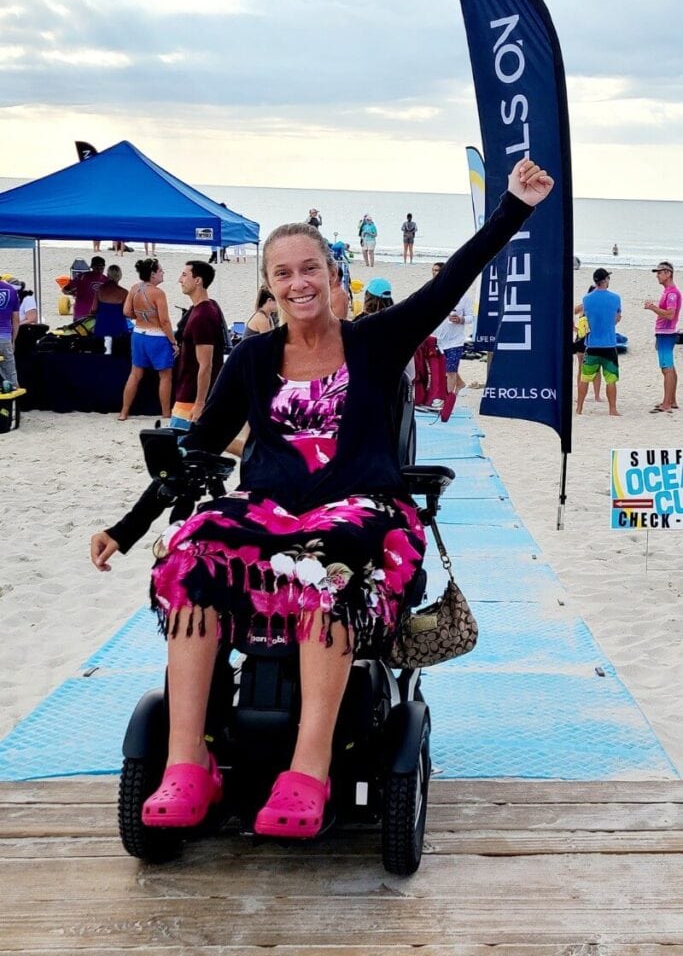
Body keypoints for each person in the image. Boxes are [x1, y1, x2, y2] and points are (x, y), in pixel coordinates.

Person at [90, 158, 553, 840]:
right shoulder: (252, 358)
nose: (298, 282)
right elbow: (199, 449)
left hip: (359, 510)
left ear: (333, 276)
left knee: (326, 563)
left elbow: (452, 278)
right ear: (270, 285)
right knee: (189, 551)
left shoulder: (375, 341)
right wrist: (129, 527)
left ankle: (308, 770)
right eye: (283, 273)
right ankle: (189, 764)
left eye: (310, 269)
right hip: (271, 510)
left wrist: (513, 206)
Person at [118, 258, 178, 421]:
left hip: (138, 334)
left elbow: (126, 312)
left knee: (135, 374)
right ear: (153, 274)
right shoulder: (158, 293)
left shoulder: (134, 288)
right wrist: (173, 342)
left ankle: (124, 412)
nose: (163, 273)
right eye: (160, 270)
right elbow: (164, 321)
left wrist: (140, 316)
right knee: (165, 376)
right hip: (156, 336)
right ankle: (166, 412)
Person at [170, 261, 226, 430]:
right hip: (188, 390)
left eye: (184, 275)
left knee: (179, 440)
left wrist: (200, 402)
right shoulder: (201, 309)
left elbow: (206, 364)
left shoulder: (203, 315)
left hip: (191, 396)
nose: (180, 280)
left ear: (198, 280)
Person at [576, 269, 622, 417]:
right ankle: (612, 409)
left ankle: (579, 408)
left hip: (592, 345)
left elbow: (584, 317)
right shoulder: (615, 298)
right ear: (605, 280)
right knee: (611, 379)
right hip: (609, 344)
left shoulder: (587, 299)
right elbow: (616, 319)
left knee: (585, 378)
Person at [644, 261, 681, 413]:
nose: (657, 276)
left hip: (666, 333)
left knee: (667, 368)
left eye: (659, 272)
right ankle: (672, 400)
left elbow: (670, 314)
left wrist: (653, 308)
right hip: (664, 333)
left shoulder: (672, 293)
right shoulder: (668, 291)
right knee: (669, 367)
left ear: (668, 273)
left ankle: (667, 403)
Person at [432, 262, 473, 396]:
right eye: (433, 271)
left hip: (455, 340)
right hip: (437, 338)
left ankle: (447, 398)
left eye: (438, 270)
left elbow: (471, 317)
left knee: (450, 371)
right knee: (444, 368)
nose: (435, 273)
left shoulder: (463, 297)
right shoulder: (432, 292)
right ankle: (460, 383)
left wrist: (461, 320)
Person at [573, 285, 602, 402]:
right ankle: (580, 395)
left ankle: (597, 396)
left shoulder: (600, 307)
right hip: (581, 340)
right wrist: (575, 329)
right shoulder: (583, 306)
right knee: (582, 367)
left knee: (597, 368)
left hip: (594, 339)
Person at [91, 265, 129, 351]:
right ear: (120, 276)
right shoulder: (124, 292)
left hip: (101, 326)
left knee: (99, 352)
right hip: (118, 327)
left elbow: (94, 309)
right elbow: (126, 312)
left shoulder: (100, 289)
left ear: (108, 275)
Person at [62, 256, 107, 320]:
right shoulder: (106, 280)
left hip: (83, 314)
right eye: (97, 268)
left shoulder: (81, 277)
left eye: (101, 268)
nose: (99, 270)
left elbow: (65, 290)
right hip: (93, 315)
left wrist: (73, 293)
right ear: (92, 267)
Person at [0, 279, 20, 389]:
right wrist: (13, 341)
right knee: (11, 375)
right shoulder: (11, 290)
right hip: (5, 338)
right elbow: (16, 319)